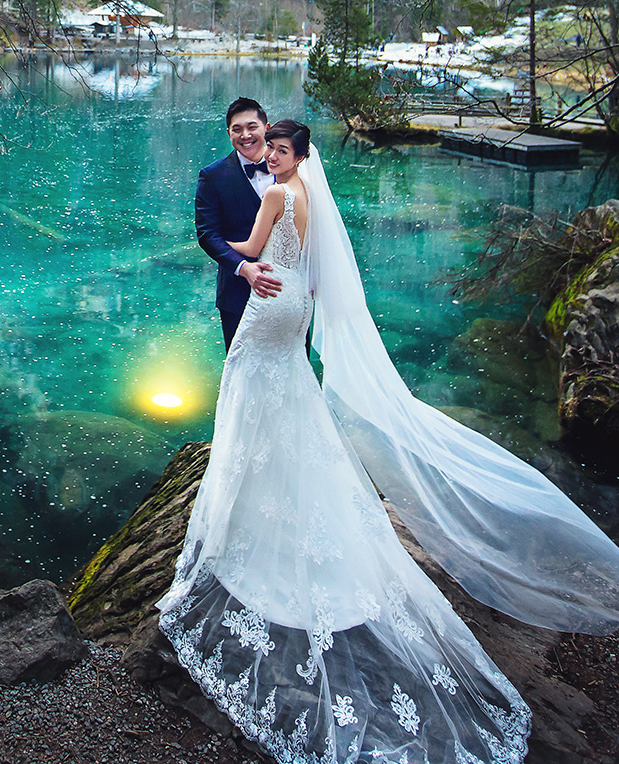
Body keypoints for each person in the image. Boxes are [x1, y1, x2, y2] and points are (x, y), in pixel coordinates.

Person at [160, 119, 619, 764]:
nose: (270, 156)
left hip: (269, 302)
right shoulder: (311, 196)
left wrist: (223, 253)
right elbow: (311, 264)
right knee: (288, 391)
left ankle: (247, 487)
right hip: (296, 304)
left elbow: (251, 247)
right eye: (269, 149)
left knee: (246, 383)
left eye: (279, 149)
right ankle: (273, 474)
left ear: (294, 155)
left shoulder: (277, 193)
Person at [195, 98, 284, 352]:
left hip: (287, 291)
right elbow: (207, 234)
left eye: (252, 127)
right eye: (237, 129)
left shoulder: (291, 169)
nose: (245, 135)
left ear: (267, 128)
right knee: (241, 369)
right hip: (237, 294)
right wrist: (244, 269)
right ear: (228, 133)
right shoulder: (212, 176)